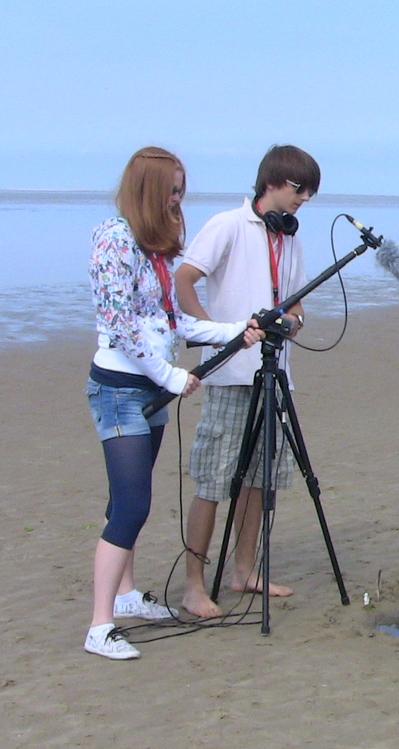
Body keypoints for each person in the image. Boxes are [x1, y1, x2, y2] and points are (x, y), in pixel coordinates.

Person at [85, 147, 264, 660]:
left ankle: (126, 593)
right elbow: (120, 326)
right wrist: (171, 375)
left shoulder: (156, 249)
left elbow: (172, 323)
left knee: (127, 499)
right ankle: (100, 625)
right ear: (149, 190)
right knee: (131, 506)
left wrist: (235, 330)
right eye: (173, 190)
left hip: (151, 389)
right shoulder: (113, 240)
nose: (179, 200)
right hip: (119, 389)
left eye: (182, 190)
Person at [175, 145, 320, 617]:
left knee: (261, 480)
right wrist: (214, 336)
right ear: (274, 182)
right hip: (231, 375)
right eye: (301, 190)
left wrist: (293, 325)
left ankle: (244, 570)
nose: (304, 200)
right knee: (215, 479)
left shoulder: (290, 239)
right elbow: (185, 279)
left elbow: (296, 306)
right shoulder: (228, 226)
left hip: (276, 373)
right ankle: (194, 584)